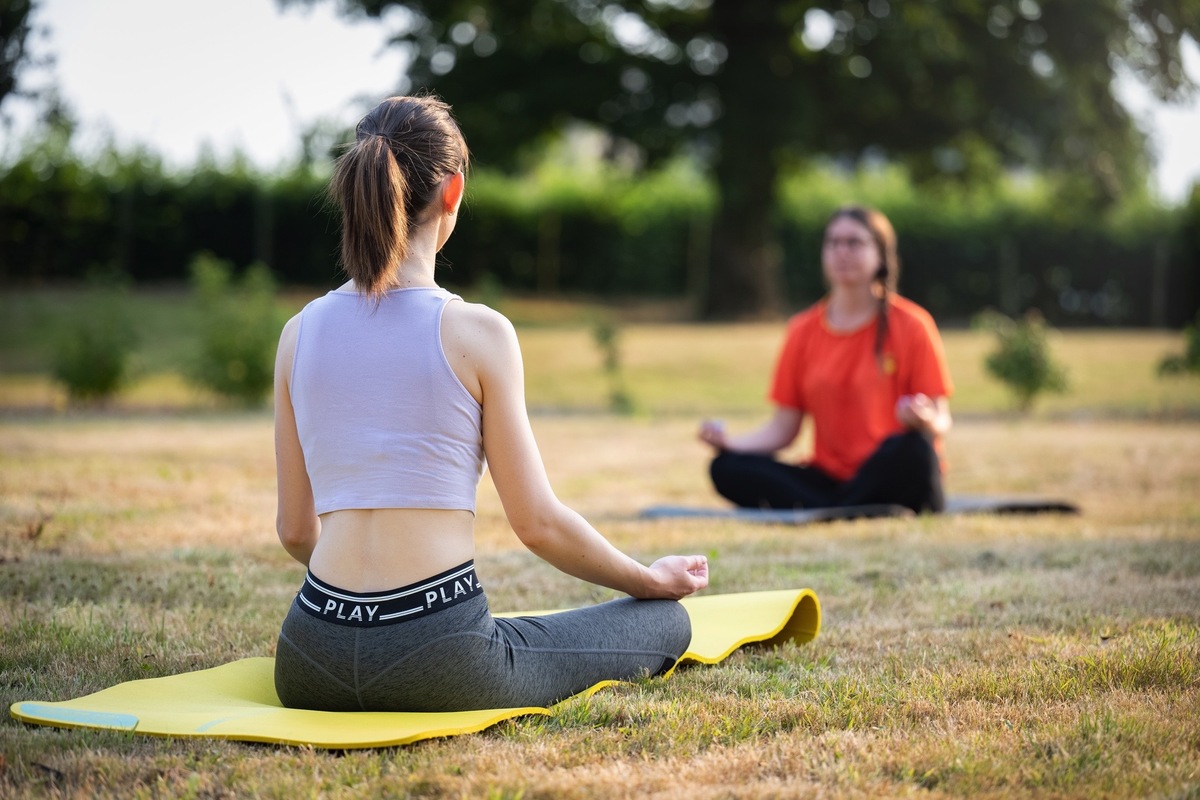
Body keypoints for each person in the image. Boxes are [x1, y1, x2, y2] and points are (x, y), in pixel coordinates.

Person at [272, 95, 708, 713]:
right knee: (665, 624)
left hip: (309, 658)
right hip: (441, 658)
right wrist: (650, 579)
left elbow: (294, 531)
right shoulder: (477, 333)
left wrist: (361, 608)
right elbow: (537, 524)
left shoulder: (299, 333)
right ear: (452, 191)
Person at [698, 205, 953, 514]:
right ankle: (843, 507)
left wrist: (924, 419)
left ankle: (829, 509)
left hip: (888, 469)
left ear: (881, 255)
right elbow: (783, 429)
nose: (841, 252)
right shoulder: (802, 330)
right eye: (833, 243)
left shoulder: (912, 324)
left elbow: (942, 418)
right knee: (726, 467)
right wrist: (730, 443)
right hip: (827, 479)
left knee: (914, 450)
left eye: (854, 243)